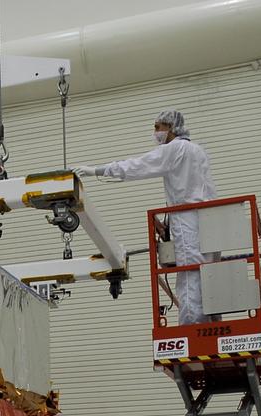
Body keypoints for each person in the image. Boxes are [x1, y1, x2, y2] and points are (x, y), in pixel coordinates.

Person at [74, 110, 217, 325]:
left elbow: (138, 165)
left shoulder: (175, 149)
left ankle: (192, 329)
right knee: (207, 274)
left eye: (158, 127)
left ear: (170, 127)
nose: (155, 132)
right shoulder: (197, 150)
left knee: (189, 275)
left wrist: (96, 171)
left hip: (187, 220)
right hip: (209, 219)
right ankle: (212, 322)